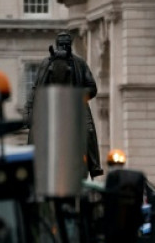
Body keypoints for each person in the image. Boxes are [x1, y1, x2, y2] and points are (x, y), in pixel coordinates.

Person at [24, 31, 103, 178]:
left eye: (66, 44)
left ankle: (94, 165)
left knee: (88, 131)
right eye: (61, 44)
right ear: (56, 45)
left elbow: (92, 87)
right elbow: (36, 88)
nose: (63, 47)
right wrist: (28, 112)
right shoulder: (47, 63)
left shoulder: (79, 63)